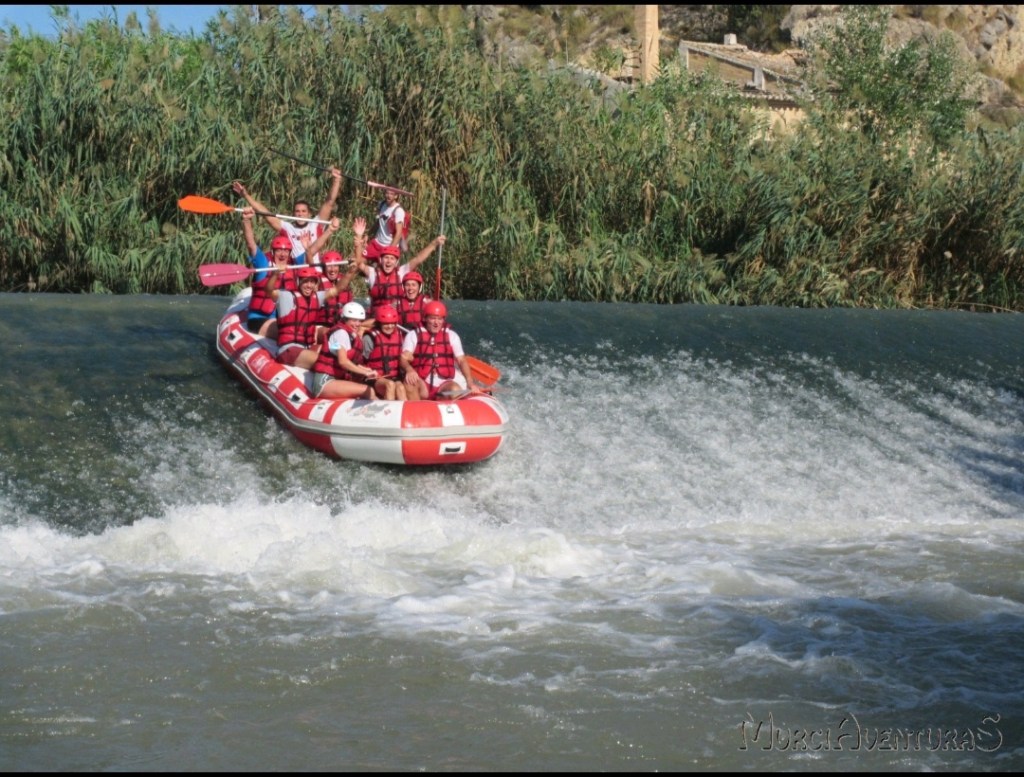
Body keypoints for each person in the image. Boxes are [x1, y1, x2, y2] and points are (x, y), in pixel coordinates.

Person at [266, 218, 353, 368]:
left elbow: (337, 289)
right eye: (305, 282)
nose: (308, 285)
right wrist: (275, 274)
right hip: (288, 349)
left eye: (312, 282)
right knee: (327, 361)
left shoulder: (317, 297)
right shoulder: (287, 297)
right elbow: (269, 291)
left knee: (336, 353)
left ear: (315, 284)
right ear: (298, 282)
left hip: (307, 346)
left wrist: (351, 272)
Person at [232, 166, 343, 263]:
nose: (300, 214)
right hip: (298, 271)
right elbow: (266, 214)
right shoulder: (288, 228)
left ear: (309, 214)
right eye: (297, 211)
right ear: (293, 214)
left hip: (316, 270)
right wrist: (246, 196)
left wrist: (336, 180)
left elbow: (329, 202)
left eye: (303, 211)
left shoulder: (316, 223)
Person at [399, 301, 485, 400]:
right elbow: (403, 358)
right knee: (409, 382)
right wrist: (409, 370)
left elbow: (461, 360)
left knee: (455, 389)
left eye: (440, 319)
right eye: (433, 318)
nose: (436, 323)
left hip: (443, 387)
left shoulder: (452, 336)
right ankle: (415, 408)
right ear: (425, 318)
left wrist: (470, 383)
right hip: (422, 384)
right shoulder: (413, 335)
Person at [240, 206, 297, 337]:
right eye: (279, 250)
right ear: (272, 252)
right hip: (259, 318)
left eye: (286, 251)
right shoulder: (264, 264)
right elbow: (251, 245)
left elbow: (311, 254)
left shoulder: (294, 268)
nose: (282, 254)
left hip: (282, 319)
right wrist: (247, 221)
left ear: (289, 254)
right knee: (286, 333)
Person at [357, 235, 446, 313]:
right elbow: (358, 263)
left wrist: (434, 244)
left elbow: (418, 259)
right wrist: (358, 240)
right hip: (377, 316)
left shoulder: (401, 271)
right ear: (380, 260)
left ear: (396, 262)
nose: (388, 261)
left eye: (392, 259)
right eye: (386, 258)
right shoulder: (373, 273)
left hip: (397, 316)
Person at [311, 302, 379, 400]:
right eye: (354, 320)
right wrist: (365, 373)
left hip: (336, 379)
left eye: (360, 321)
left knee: (367, 389)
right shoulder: (340, 334)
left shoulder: (348, 334)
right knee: (368, 390)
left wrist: (366, 370)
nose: (357, 324)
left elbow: (346, 360)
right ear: (345, 319)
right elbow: (343, 361)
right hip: (325, 382)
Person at [361, 304, 408, 400]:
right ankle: (389, 409)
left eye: (392, 323)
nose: (390, 326)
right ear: (379, 323)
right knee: (390, 385)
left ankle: (405, 409)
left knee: (400, 387)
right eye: (386, 324)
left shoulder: (399, 335)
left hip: (393, 376)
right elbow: (361, 361)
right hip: (373, 378)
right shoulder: (369, 337)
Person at [362, 187, 407, 263]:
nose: (388, 196)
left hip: (388, 246)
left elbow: (398, 234)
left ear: (396, 196)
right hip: (376, 243)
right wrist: (367, 235)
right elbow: (378, 223)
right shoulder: (382, 204)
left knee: (381, 268)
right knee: (359, 260)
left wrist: (389, 251)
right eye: (387, 193)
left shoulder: (398, 211)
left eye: (391, 194)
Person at [317, 250, 358, 326]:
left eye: (335, 266)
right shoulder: (317, 282)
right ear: (324, 268)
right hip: (322, 324)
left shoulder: (344, 280)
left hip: (340, 323)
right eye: (329, 266)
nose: (332, 270)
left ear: (339, 267)